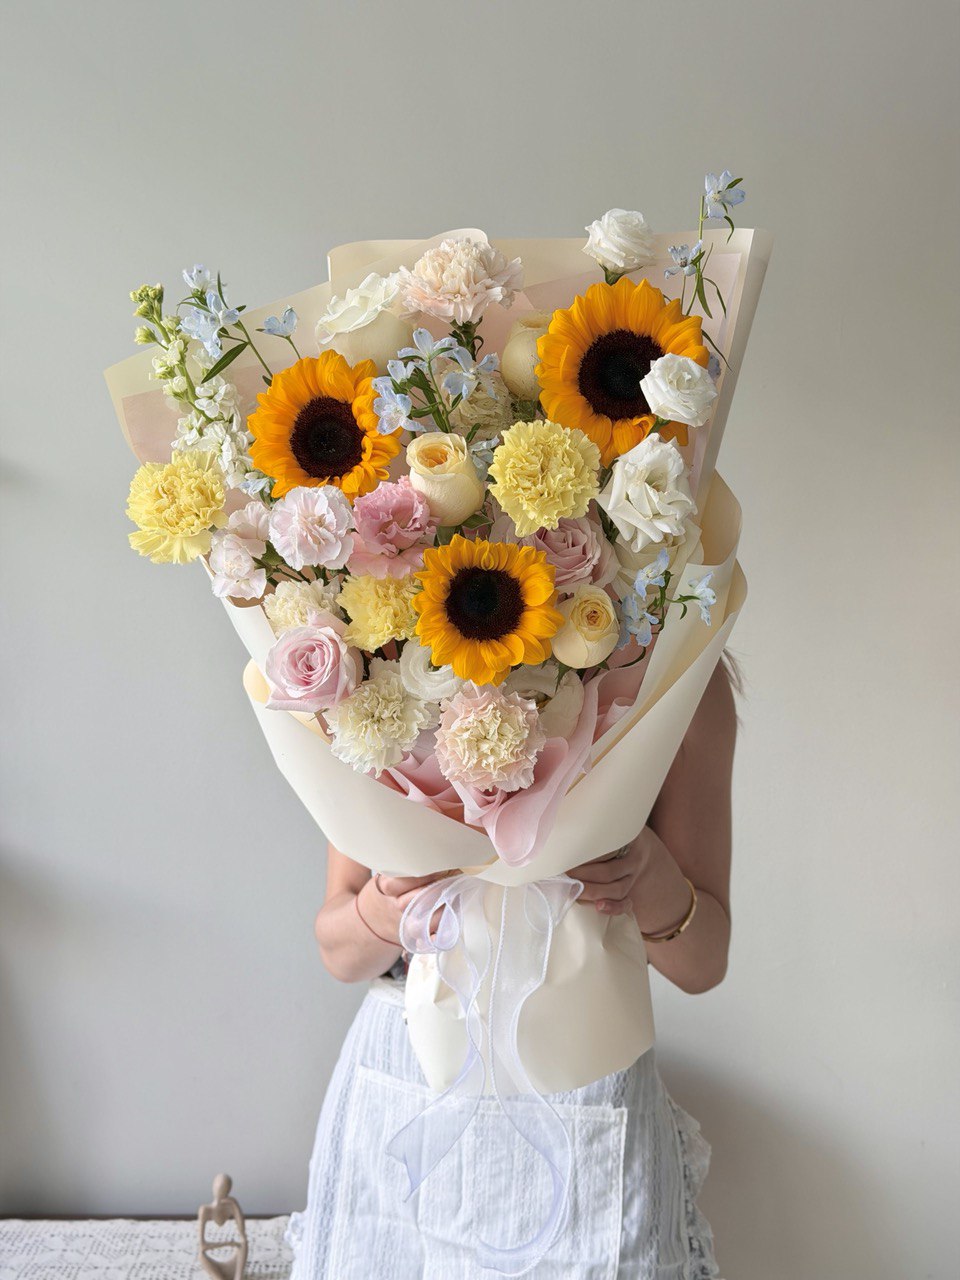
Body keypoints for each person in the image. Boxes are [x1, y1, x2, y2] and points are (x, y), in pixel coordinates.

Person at [286, 660, 737, 1280]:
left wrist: (650, 876)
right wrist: (385, 908)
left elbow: (703, 964)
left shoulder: (678, 667)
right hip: (405, 1081)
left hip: (583, 1084)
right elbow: (339, 951)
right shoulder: (376, 661)